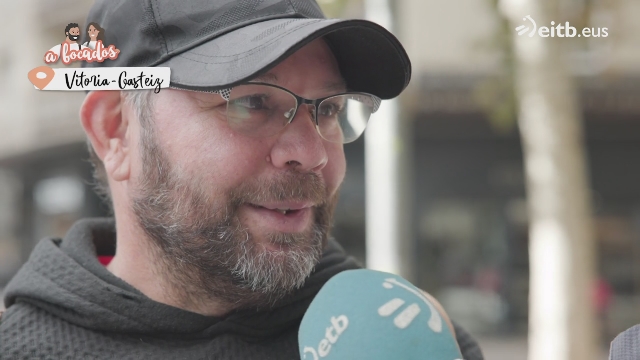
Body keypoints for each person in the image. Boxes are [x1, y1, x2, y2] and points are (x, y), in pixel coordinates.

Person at [1, 0, 485, 359]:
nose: (313, 154)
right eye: (252, 102)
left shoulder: (403, 334)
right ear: (117, 130)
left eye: (330, 109)